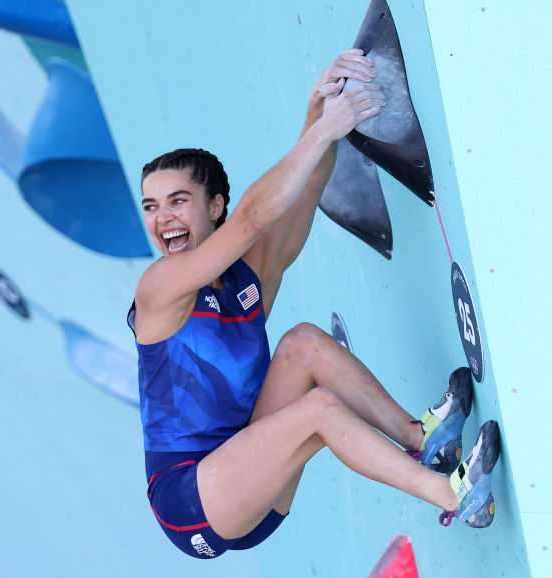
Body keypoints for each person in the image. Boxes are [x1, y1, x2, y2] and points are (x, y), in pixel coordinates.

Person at [127, 49, 500, 560]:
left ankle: (422, 437)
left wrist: (319, 112)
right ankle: (453, 495)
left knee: (302, 343)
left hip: (256, 470)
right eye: (151, 205)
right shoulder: (159, 290)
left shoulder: (246, 281)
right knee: (319, 410)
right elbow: (252, 219)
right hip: (193, 502)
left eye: (177, 200)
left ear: (213, 206)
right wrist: (323, 131)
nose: (163, 217)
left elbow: (301, 195)